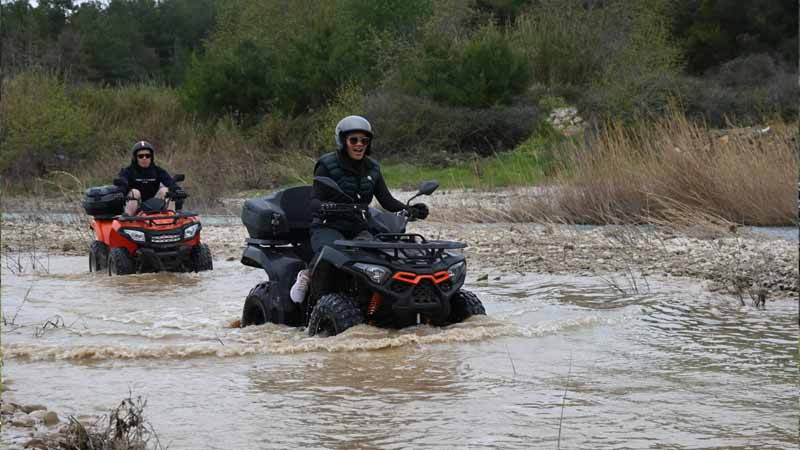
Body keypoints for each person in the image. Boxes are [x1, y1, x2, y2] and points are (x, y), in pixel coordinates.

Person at [289, 115, 429, 303]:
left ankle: (375, 300)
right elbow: (314, 200)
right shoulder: (326, 165)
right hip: (328, 226)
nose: (359, 144)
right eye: (353, 140)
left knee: (380, 256)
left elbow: (386, 200)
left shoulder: (373, 168)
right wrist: (324, 207)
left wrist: (410, 209)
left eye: (364, 140)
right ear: (342, 141)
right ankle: (307, 275)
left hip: (358, 226)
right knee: (331, 253)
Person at [118, 141, 177, 216]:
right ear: (135, 158)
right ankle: (127, 219)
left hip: (154, 204)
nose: (144, 158)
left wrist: (177, 190)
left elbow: (170, 183)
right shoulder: (127, 171)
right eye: (141, 156)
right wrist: (121, 190)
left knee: (165, 190)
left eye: (147, 155)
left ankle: (172, 217)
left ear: (151, 157)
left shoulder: (158, 171)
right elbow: (122, 184)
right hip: (136, 206)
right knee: (135, 192)